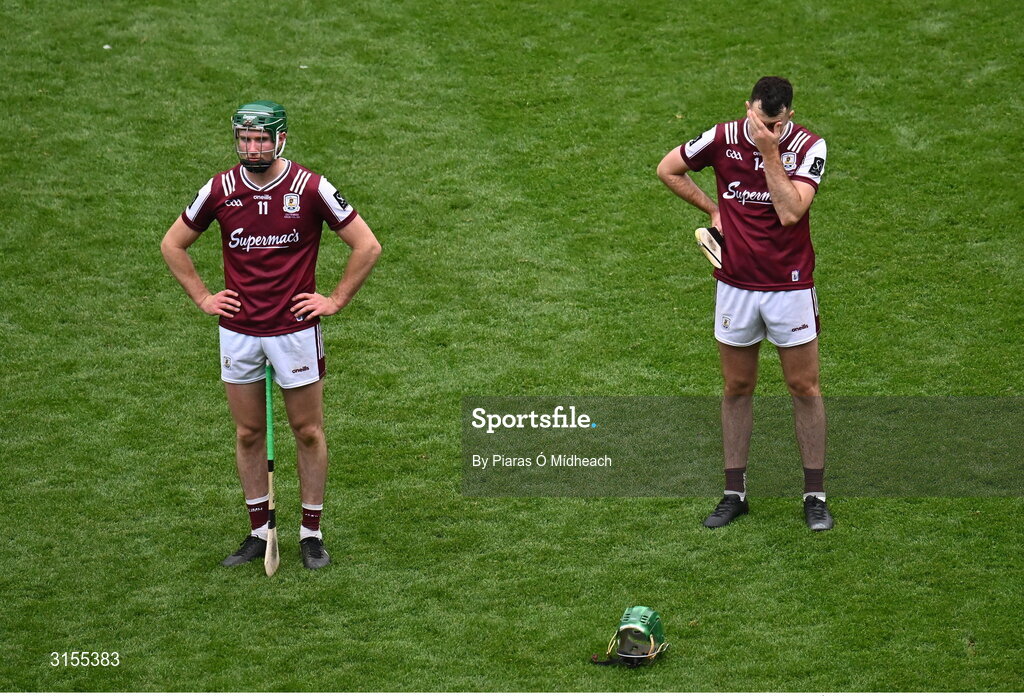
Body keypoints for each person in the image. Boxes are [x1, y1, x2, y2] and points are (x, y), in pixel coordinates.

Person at [161, 100, 382, 568]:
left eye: (262, 138)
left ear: (281, 139)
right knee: (247, 433)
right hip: (239, 332)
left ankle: (310, 533)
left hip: (294, 331)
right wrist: (203, 298)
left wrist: (335, 300)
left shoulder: (311, 188)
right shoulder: (220, 188)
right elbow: (173, 244)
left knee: (306, 430)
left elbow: (367, 245)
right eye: (245, 138)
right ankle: (259, 531)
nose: (253, 147)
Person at [657, 77, 833, 531]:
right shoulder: (721, 137)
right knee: (736, 387)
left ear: (789, 116)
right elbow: (668, 169)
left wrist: (770, 152)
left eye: (774, 123)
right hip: (735, 285)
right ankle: (734, 492)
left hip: (790, 288)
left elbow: (791, 211)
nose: (764, 128)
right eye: (758, 119)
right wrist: (713, 209)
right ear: (747, 108)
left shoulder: (810, 146)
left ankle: (815, 495)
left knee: (804, 388)